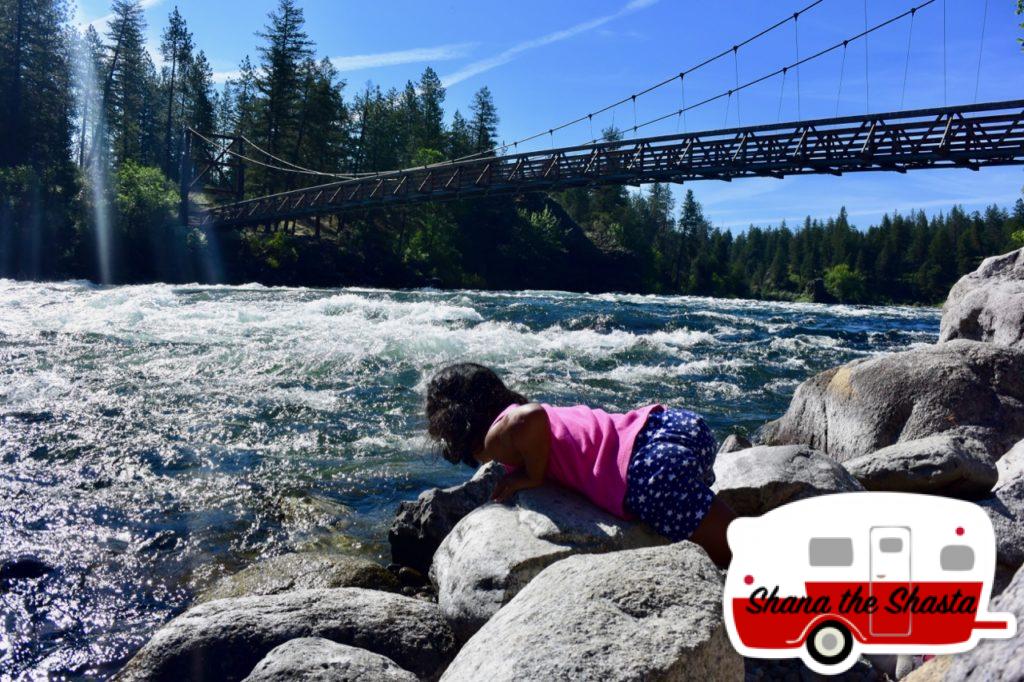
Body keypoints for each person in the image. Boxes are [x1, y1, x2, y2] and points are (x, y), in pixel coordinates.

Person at [425, 362, 736, 567]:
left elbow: (530, 417)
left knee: (736, 555)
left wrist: (532, 477)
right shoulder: (512, 416)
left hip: (647, 469)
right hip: (669, 425)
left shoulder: (500, 435)